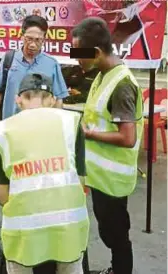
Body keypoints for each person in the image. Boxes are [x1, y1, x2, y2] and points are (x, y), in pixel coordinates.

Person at [0, 73, 89, 274]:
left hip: (23, 232)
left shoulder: (3, 132)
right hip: (68, 228)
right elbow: (81, 183)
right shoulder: (71, 123)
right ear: (52, 99)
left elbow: (2, 196)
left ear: (18, 99)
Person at [71, 17, 144, 274]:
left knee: (116, 236)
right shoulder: (103, 75)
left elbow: (128, 138)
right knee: (109, 231)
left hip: (112, 180)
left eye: (79, 53)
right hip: (99, 176)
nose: (76, 59)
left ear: (97, 52)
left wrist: (88, 135)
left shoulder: (121, 84)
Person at [0, 15, 68, 123]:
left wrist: (56, 124)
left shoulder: (52, 64)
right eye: (29, 39)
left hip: (40, 127)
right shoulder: (9, 59)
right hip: (11, 125)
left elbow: (59, 98)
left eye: (38, 40)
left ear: (44, 40)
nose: (32, 45)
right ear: (22, 36)